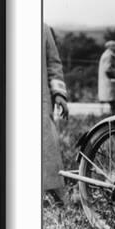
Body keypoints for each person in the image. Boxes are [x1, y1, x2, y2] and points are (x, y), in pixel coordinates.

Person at [42, 23, 69, 206]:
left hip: (40, 99)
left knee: (47, 144)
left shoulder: (43, 28)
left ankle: (55, 194)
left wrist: (59, 94)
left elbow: (54, 63)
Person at [98, 40, 115, 115]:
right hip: (110, 84)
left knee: (114, 103)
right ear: (110, 47)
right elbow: (108, 69)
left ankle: (112, 115)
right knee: (114, 103)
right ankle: (112, 117)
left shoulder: (109, 55)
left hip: (109, 83)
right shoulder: (108, 56)